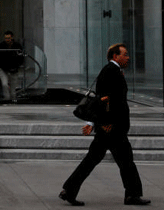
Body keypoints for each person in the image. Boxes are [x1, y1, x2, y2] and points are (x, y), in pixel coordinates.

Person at [59, 43, 149, 206]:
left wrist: (93, 123)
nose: (128, 57)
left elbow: (103, 100)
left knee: (94, 160)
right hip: (112, 128)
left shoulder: (112, 71)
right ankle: (132, 195)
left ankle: (69, 190)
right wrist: (102, 122)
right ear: (116, 56)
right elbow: (104, 101)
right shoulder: (111, 72)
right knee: (126, 161)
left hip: (109, 127)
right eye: (125, 54)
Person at [0, 30, 24, 100]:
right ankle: (7, 98)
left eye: (8, 38)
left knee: (13, 88)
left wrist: (17, 66)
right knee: (4, 84)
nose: (7, 40)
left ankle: (12, 98)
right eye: (6, 38)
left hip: (14, 68)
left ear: (12, 38)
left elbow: (21, 57)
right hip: (4, 68)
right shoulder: (1, 45)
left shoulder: (17, 45)